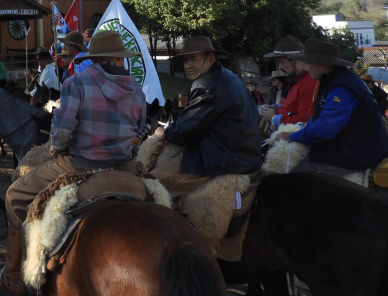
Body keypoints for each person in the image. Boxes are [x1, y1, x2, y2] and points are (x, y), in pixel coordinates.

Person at [0, 31, 145, 293]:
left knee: (14, 196)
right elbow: (141, 130)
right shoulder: (136, 89)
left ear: (94, 58)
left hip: (81, 165)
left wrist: (57, 147)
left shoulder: (77, 83)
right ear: (119, 58)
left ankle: (15, 276)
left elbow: (62, 128)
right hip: (125, 167)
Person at [146, 36, 261, 206]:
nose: (188, 65)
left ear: (210, 57)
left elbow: (186, 131)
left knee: (150, 189)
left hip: (222, 156)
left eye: (194, 59)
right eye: (186, 60)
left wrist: (164, 132)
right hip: (242, 152)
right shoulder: (228, 76)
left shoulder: (207, 84)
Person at [274, 39, 388, 176]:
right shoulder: (337, 80)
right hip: (350, 148)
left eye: (309, 64)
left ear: (321, 65)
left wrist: (292, 136)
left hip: (352, 154)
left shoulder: (342, 87)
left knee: (293, 181)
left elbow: (326, 128)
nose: (306, 68)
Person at [260, 35, 318, 127]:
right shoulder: (297, 80)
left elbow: (304, 121)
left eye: (282, 62)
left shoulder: (310, 83)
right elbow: (291, 107)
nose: (280, 67)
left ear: (295, 60)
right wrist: (276, 107)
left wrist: (273, 118)